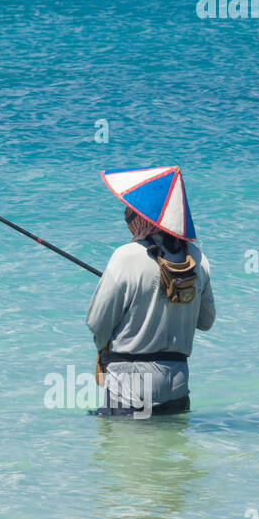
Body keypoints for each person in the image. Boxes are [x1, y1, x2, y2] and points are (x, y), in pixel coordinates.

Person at [86, 167, 216, 417]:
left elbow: (96, 323)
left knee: (121, 455)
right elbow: (206, 322)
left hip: (129, 389)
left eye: (130, 214)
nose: (127, 218)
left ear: (145, 218)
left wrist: (103, 350)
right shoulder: (198, 259)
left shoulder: (125, 256)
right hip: (178, 387)